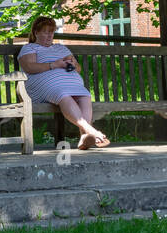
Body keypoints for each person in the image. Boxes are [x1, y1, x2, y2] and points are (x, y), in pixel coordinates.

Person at [17, 16, 110, 149]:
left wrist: (71, 63)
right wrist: (54, 65)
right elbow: (29, 68)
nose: (49, 36)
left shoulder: (61, 48)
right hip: (42, 87)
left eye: (51, 32)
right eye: (45, 32)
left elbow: (78, 69)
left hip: (70, 84)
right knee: (64, 94)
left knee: (85, 95)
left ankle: (84, 136)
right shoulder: (30, 48)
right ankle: (92, 131)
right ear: (36, 32)